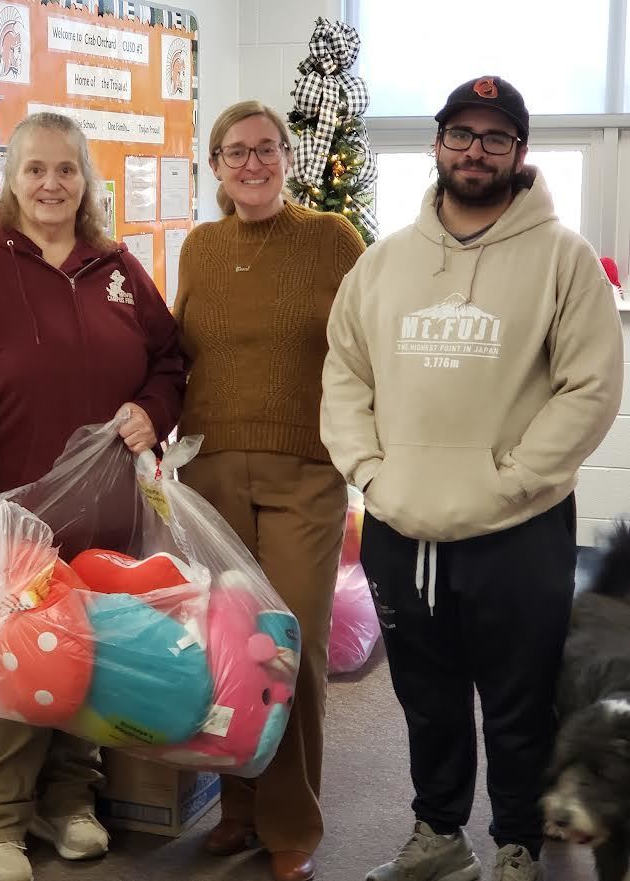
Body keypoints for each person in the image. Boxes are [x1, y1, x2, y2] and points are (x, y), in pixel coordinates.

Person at [321, 76, 623, 881]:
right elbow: (344, 376)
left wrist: (515, 478)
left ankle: (517, 844)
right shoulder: (382, 264)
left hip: (517, 527)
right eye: (461, 132)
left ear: (519, 154)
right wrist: (372, 474)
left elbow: (589, 386)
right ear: (436, 143)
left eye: (495, 137)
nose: (475, 150)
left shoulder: (563, 261)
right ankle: (438, 835)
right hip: (401, 523)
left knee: (518, 701)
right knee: (427, 697)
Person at [0, 111, 185, 881]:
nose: (51, 184)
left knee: (83, 667)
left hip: (98, 520)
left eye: (66, 169)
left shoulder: (118, 268)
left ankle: (65, 801)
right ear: (9, 178)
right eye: (35, 169)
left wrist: (151, 410)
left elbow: (169, 363)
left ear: (86, 180)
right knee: (14, 675)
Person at [173, 99, 365, 881]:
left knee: (290, 646)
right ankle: (239, 809)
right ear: (214, 166)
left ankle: (290, 823)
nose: (251, 163)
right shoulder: (200, 247)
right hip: (210, 468)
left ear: (289, 156)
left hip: (303, 474)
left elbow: (366, 345)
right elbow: (174, 348)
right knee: (225, 645)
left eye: (265, 148)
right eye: (234, 151)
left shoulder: (332, 239)